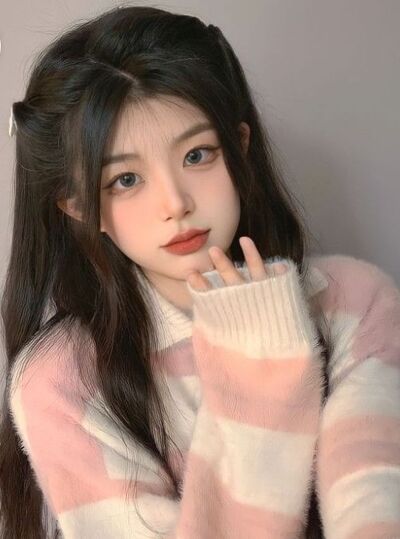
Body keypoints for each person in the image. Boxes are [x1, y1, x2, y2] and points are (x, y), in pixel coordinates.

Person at [0, 5, 399, 539]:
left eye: (197, 155)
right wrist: (259, 376)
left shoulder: (353, 300)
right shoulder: (62, 379)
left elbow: (375, 498)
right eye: (125, 180)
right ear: (78, 206)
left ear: (239, 147)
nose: (175, 203)